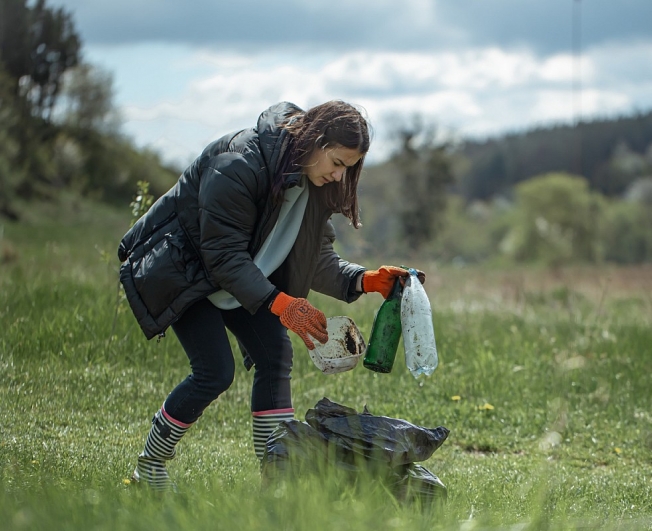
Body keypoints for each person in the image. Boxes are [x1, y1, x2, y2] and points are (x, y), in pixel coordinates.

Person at [117, 100, 424, 490]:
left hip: (245, 281)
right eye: (337, 162)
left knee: (275, 355)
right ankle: (150, 467)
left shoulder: (315, 183)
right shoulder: (238, 164)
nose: (339, 174)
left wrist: (365, 280)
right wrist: (283, 305)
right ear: (315, 140)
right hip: (188, 273)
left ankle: (276, 480)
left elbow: (315, 258)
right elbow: (222, 257)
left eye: (349, 167)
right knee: (215, 372)